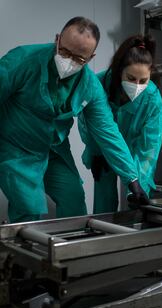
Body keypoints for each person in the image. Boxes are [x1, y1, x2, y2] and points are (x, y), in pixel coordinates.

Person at [0, 17, 146, 223]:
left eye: (79, 59)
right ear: (57, 39)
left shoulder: (90, 86)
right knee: (28, 207)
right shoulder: (23, 60)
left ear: (91, 57)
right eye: (65, 52)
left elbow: (108, 132)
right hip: (16, 146)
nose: (69, 62)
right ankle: (21, 255)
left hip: (53, 149)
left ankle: (68, 251)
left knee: (74, 199)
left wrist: (132, 179)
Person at [80, 34, 162, 214]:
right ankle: (102, 234)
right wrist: (95, 151)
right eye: (131, 78)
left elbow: (149, 148)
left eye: (143, 81)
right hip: (102, 146)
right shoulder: (99, 83)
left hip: (134, 147)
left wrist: (138, 184)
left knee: (137, 195)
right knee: (104, 200)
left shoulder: (152, 97)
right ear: (119, 71)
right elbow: (88, 123)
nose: (137, 85)